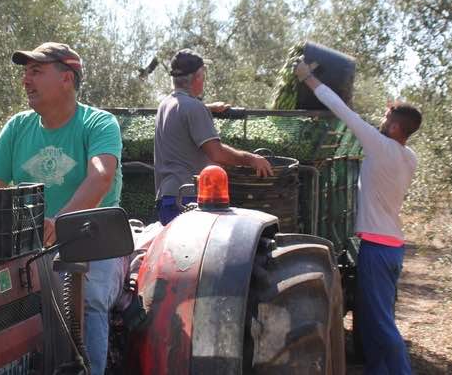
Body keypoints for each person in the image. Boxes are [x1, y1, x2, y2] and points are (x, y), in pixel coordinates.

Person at [0, 42, 125, 375]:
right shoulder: (17, 127)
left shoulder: (99, 124)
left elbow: (101, 178)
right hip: (30, 245)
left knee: (86, 299)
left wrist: (61, 223)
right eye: (26, 72)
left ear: (67, 79)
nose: (26, 81)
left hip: (94, 242)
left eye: (36, 72)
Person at [295, 60, 421, 374]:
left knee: (380, 323)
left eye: (386, 116)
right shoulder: (410, 157)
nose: (381, 119)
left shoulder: (380, 147)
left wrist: (308, 77)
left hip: (377, 251)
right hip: (393, 247)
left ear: (394, 128)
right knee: (375, 317)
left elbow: (341, 111)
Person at [153, 49, 273, 225]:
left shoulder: (165, 104)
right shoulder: (194, 108)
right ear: (198, 76)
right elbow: (217, 154)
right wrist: (251, 159)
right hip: (190, 201)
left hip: (167, 200)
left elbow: (183, 114)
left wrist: (207, 108)